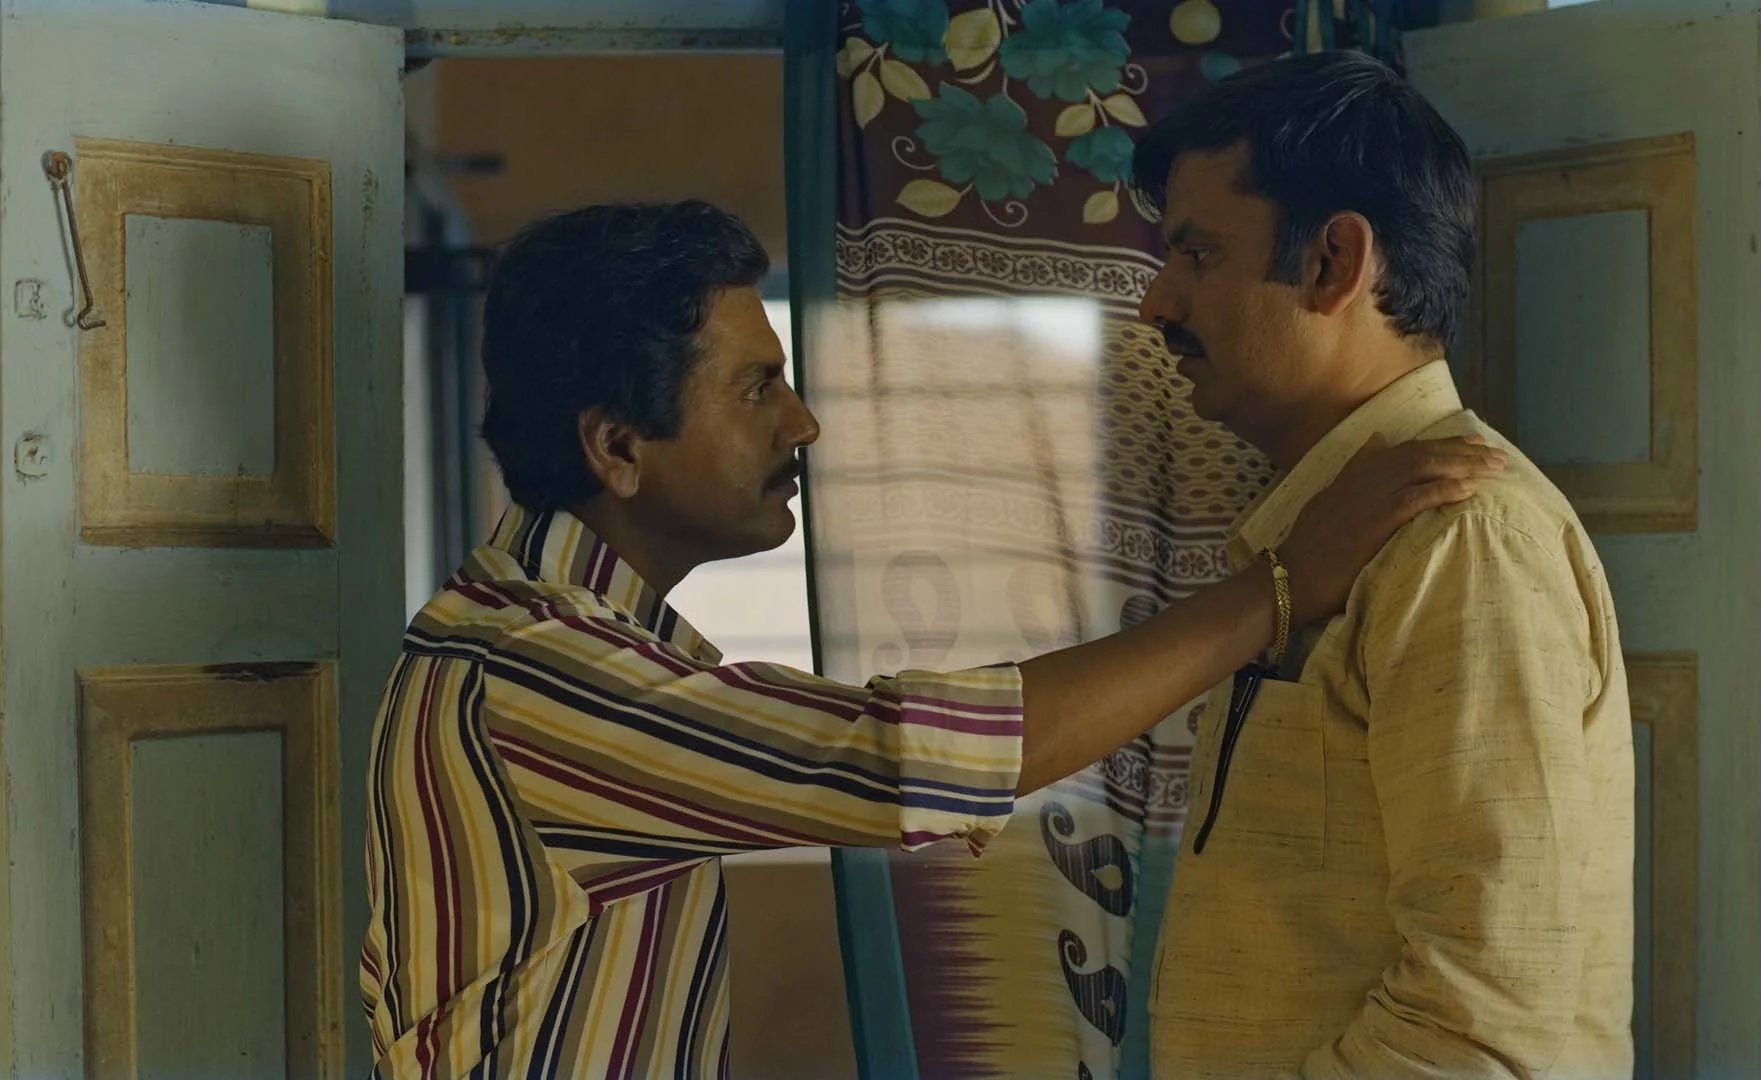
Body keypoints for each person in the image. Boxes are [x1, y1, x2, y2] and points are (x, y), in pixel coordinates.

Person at [357, 199, 1503, 1079]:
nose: (804, 423)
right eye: (757, 389)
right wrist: (1282, 586)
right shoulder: (534, 680)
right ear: (617, 447)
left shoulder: (569, 641)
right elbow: (899, 756)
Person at [1134, 50, 1635, 1079]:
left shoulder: (1462, 541)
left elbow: (1480, 1023)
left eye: (1197, 254)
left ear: (1333, 262)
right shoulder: (1333, 532)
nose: (1158, 304)